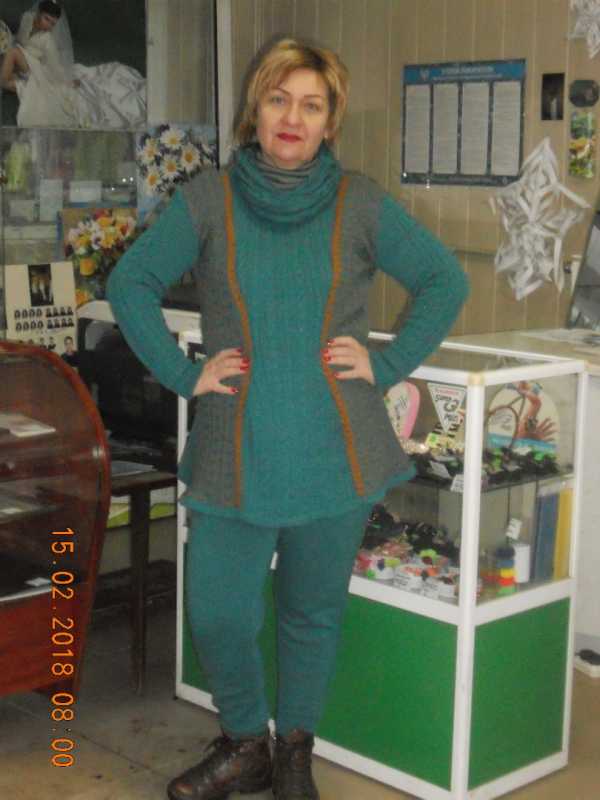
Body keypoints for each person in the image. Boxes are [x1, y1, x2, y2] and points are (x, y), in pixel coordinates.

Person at [106, 37, 469, 800]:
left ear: (330, 120)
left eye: (311, 105)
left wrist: (387, 363)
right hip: (234, 447)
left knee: (312, 612)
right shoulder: (208, 199)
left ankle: (294, 750)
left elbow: (444, 279)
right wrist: (185, 375)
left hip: (335, 447)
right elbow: (131, 283)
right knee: (218, 611)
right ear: (256, 108)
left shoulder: (359, 203)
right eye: (278, 99)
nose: (292, 118)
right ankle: (247, 743)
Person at [0, 1, 146, 129]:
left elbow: (55, 66)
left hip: (36, 67)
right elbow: (20, 38)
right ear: (38, 13)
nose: (48, 25)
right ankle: (6, 79)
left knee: (14, 53)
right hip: (23, 58)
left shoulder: (47, 39)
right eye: (46, 19)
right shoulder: (27, 18)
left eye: (52, 23)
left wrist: (67, 80)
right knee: (13, 57)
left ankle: (4, 79)